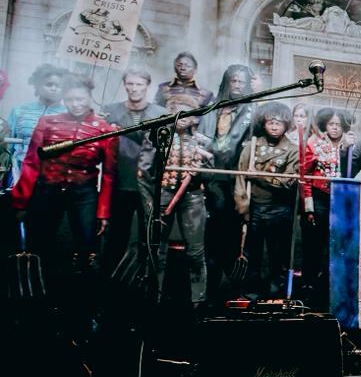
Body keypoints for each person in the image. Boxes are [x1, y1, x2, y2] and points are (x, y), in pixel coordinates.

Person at [11, 74, 117, 274]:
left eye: (80, 99)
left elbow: (109, 175)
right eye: (69, 100)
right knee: (41, 243)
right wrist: (21, 201)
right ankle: (43, 295)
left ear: (89, 97)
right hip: (47, 190)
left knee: (85, 247)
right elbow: (32, 162)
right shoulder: (47, 122)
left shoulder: (104, 129)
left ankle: (79, 296)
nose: (75, 105)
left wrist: (103, 212)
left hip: (84, 194)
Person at [137, 96, 214, 307]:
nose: (181, 116)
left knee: (196, 252)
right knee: (156, 251)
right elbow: (143, 172)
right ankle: (153, 297)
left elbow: (211, 176)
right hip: (161, 195)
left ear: (193, 118)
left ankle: (198, 302)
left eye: (186, 112)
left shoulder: (203, 142)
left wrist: (200, 171)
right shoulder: (157, 138)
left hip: (193, 197)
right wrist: (150, 206)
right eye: (176, 110)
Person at [102, 68, 167, 274]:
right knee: (116, 237)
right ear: (124, 85)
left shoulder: (160, 113)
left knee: (147, 238)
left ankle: (144, 280)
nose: (134, 88)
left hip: (149, 184)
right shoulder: (110, 110)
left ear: (147, 86)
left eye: (139, 84)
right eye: (130, 84)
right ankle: (109, 281)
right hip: (120, 181)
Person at [201, 64, 256, 300]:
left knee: (233, 236)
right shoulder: (212, 107)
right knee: (209, 236)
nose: (238, 85)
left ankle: (229, 291)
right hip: (210, 178)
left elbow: (230, 147)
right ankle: (209, 290)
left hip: (235, 180)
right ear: (226, 82)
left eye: (242, 81)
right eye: (234, 81)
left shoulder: (252, 110)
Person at [234, 102, 299, 300]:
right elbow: (240, 178)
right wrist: (243, 208)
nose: (274, 126)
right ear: (264, 123)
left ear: (286, 125)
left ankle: (275, 295)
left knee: (276, 256)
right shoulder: (252, 147)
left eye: (279, 123)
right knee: (253, 254)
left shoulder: (292, 150)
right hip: (255, 208)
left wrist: (259, 177)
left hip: (280, 210)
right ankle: (251, 293)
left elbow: (288, 182)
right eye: (271, 121)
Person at [299, 108, 356, 308]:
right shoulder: (314, 144)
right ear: (325, 124)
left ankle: (331, 293)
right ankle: (309, 291)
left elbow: (353, 173)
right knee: (314, 247)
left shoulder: (349, 144)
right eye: (331, 124)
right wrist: (309, 207)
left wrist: (348, 149)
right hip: (319, 197)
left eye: (338, 125)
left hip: (341, 199)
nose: (334, 128)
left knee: (335, 248)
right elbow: (305, 176)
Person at [6, 63, 67, 183]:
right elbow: (7, 146)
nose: (54, 88)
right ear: (38, 85)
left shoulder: (70, 116)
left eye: (59, 86)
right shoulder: (19, 111)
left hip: (52, 175)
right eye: (49, 84)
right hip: (19, 171)